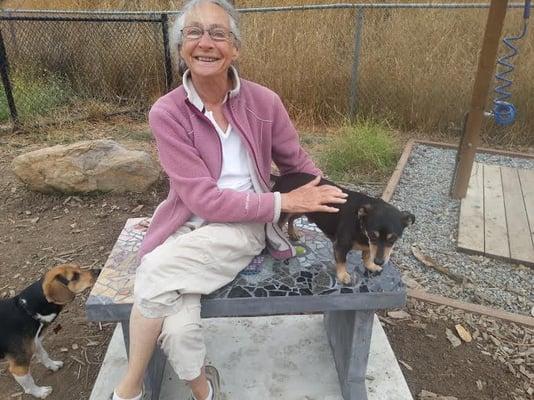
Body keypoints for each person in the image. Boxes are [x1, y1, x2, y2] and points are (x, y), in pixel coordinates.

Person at [112, 1, 347, 399]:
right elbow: (201, 198)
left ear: (234, 48)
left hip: (244, 225)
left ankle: (127, 390)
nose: (206, 43)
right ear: (181, 47)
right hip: (187, 221)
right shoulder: (167, 112)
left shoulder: (264, 102)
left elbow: (299, 164)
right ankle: (207, 391)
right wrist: (282, 203)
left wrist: (344, 203)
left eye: (218, 33)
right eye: (194, 33)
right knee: (178, 325)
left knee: (152, 272)